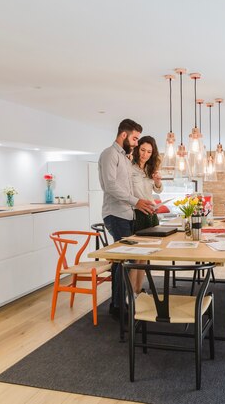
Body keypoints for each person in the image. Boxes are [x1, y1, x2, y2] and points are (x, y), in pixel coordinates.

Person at [98, 119, 155, 317]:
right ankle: (121, 306)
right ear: (124, 135)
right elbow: (110, 186)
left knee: (122, 259)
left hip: (126, 214)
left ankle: (118, 304)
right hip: (115, 215)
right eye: (135, 138)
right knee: (128, 258)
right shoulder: (109, 154)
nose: (137, 143)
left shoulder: (124, 158)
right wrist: (136, 201)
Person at [130, 135, 163, 295]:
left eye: (149, 152)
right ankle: (131, 293)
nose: (145, 154)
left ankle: (138, 289)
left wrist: (157, 182)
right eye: (143, 150)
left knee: (144, 256)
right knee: (136, 256)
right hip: (138, 213)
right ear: (137, 149)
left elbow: (157, 190)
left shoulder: (150, 169)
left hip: (151, 214)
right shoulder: (129, 167)